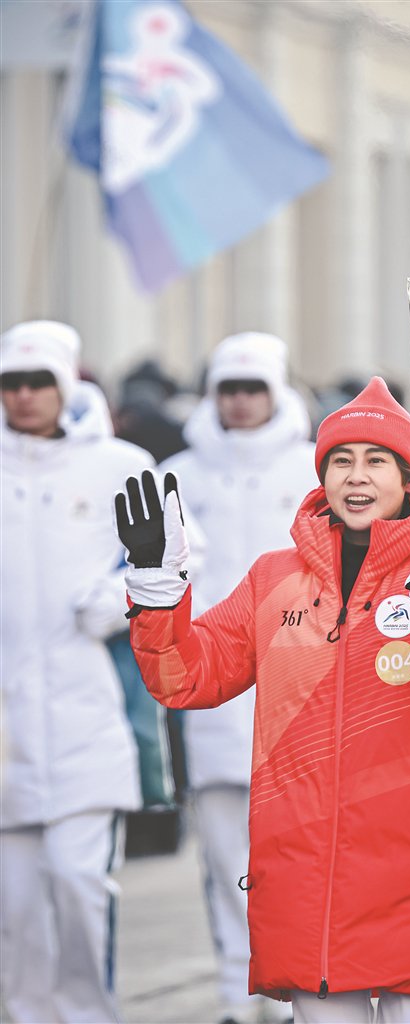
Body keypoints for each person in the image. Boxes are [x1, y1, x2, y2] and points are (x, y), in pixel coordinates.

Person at [115, 376, 410, 1024]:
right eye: (341, 460)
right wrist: (158, 592)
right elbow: (187, 677)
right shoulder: (274, 580)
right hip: (313, 885)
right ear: (322, 474)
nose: (356, 477)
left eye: (375, 461)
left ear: (409, 479)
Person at [159, 331, 318, 1024]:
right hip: (215, 685)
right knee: (226, 857)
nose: (243, 403)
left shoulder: (316, 470)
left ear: (278, 391)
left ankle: (296, 995)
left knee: (300, 859)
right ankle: (234, 994)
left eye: (255, 389)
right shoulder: (179, 474)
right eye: (230, 390)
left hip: (306, 680)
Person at [0, 321, 151, 1023]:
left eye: (38, 384)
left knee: (78, 880)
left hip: (84, 714)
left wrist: (118, 599)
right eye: (11, 384)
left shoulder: (118, 463)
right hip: (6, 730)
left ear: (66, 387)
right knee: (18, 905)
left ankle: (91, 1013)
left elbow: (178, 555)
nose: (24, 396)